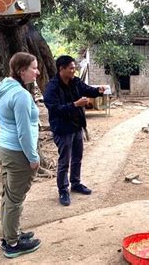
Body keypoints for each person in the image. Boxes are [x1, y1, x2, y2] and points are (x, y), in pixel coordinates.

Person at [0, 52, 41, 258]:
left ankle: (11, 233)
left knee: (8, 195)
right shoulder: (21, 95)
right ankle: (11, 244)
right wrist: (33, 157)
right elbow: (24, 131)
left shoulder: (2, 88)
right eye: (34, 68)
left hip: (4, 148)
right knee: (15, 199)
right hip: (18, 152)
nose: (37, 72)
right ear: (22, 71)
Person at [43, 55, 104, 206]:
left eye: (74, 68)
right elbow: (54, 109)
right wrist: (75, 105)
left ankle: (75, 183)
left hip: (76, 127)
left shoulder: (75, 81)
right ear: (61, 69)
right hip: (63, 129)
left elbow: (87, 89)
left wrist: (98, 91)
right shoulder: (52, 87)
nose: (73, 70)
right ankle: (63, 190)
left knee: (77, 157)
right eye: (71, 68)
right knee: (64, 161)